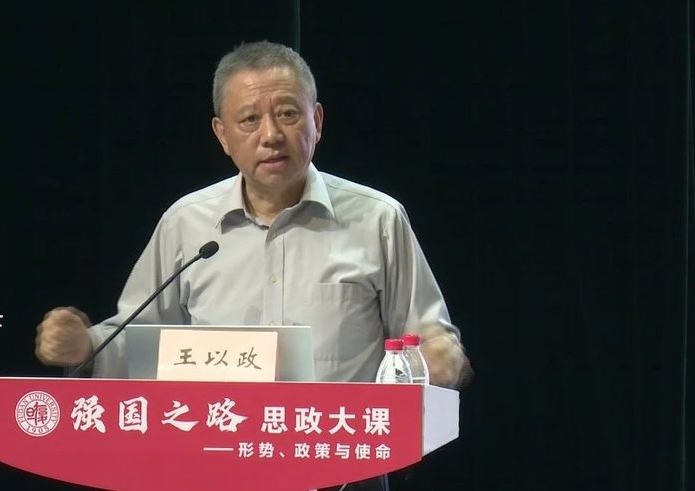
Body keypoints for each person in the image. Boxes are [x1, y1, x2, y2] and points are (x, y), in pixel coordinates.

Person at [34, 41, 470, 491]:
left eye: (288, 114)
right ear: (222, 135)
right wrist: (86, 346)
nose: (271, 135)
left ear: (317, 121)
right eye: (249, 120)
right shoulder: (186, 224)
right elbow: (140, 342)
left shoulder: (378, 220)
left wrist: (441, 359)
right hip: (215, 469)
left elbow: (427, 339)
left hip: (343, 473)